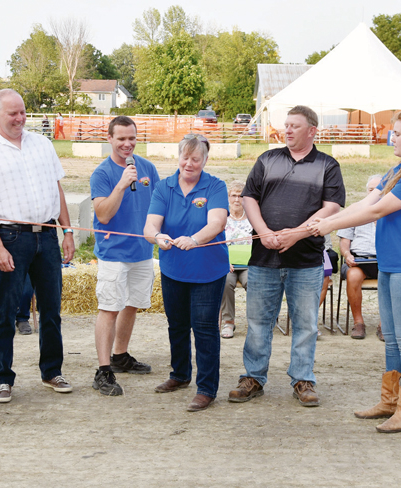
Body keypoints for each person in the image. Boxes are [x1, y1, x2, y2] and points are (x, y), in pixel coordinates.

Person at [311, 110, 401, 433]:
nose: (391, 137)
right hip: (391, 264)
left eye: (397, 133)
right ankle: (390, 401)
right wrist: (328, 220)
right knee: (392, 341)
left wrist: (330, 223)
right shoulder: (398, 169)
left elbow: (376, 210)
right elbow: (364, 202)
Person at [228, 105, 345, 407]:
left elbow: (331, 207)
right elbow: (249, 197)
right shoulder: (267, 160)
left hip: (305, 261)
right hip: (263, 259)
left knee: (305, 324)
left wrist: (298, 233)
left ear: (312, 130)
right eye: (286, 125)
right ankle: (253, 377)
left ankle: (303, 379)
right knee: (257, 322)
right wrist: (264, 231)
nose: (288, 130)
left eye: (295, 125)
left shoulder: (327, 165)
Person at [0, 89, 76, 404]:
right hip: (11, 238)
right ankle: (3, 379)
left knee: (52, 309)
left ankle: (51, 371)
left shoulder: (43, 144)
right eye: (12, 113)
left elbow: (58, 189)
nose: (19, 118)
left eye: (23, 112)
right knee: (4, 310)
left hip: (48, 236)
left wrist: (67, 231)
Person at [144, 134, 229, 412]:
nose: (189, 163)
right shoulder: (163, 187)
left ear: (205, 160)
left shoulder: (215, 186)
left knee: (204, 329)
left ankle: (206, 388)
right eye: (185, 157)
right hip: (173, 270)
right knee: (177, 325)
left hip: (207, 271)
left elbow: (216, 223)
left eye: (196, 159)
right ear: (178, 156)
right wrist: (157, 237)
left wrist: (194, 239)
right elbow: (150, 227)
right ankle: (179, 375)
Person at [90, 116, 159, 396]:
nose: (127, 144)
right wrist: (121, 184)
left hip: (142, 251)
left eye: (132, 138)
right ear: (109, 139)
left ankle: (120, 356)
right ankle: (103, 371)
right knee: (110, 307)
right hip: (113, 253)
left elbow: (159, 205)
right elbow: (103, 214)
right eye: (121, 139)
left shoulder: (148, 168)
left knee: (132, 304)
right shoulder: (102, 174)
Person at [337, 175, 382, 340]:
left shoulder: (392, 212)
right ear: (367, 191)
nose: (374, 194)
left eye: (379, 190)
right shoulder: (355, 211)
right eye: (371, 190)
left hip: (384, 261)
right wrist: (347, 255)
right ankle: (358, 323)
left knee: (391, 278)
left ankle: (384, 324)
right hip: (359, 260)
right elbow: (344, 241)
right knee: (353, 276)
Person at [220, 180, 253, 339]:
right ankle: (228, 322)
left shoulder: (252, 218)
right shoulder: (222, 219)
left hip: (249, 265)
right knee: (226, 282)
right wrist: (225, 262)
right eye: (233, 195)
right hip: (228, 264)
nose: (237, 200)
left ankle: (256, 322)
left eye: (241, 196)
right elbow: (216, 243)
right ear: (228, 198)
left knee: (253, 282)